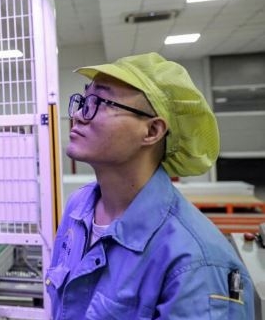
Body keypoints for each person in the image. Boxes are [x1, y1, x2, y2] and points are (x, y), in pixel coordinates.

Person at [46, 52, 254, 319]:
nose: (77, 115)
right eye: (84, 100)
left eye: (100, 102)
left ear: (153, 131)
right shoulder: (79, 207)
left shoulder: (195, 262)